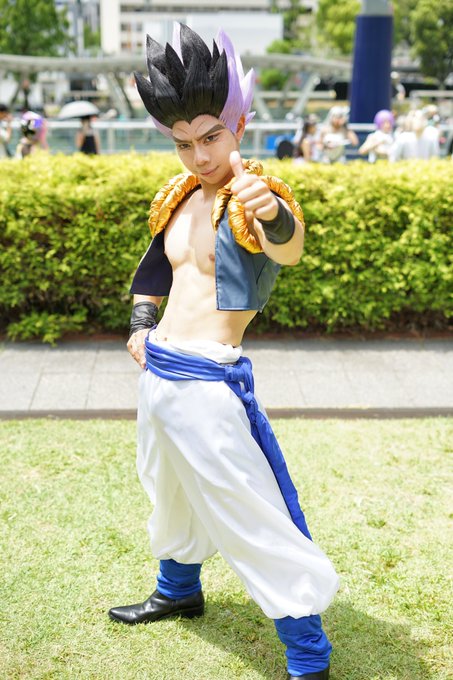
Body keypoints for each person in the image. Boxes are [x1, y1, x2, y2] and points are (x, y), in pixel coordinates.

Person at [108, 24, 339, 680]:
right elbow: (158, 268)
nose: (199, 154)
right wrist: (141, 324)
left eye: (210, 136)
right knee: (170, 492)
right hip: (159, 371)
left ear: (238, 124)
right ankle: (177, 590)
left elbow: (287, 247)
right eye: (183, 142)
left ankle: (308, 656)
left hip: (210, 382)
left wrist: (272, 213)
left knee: (250, 511)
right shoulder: (179, 196)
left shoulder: (255, 196)